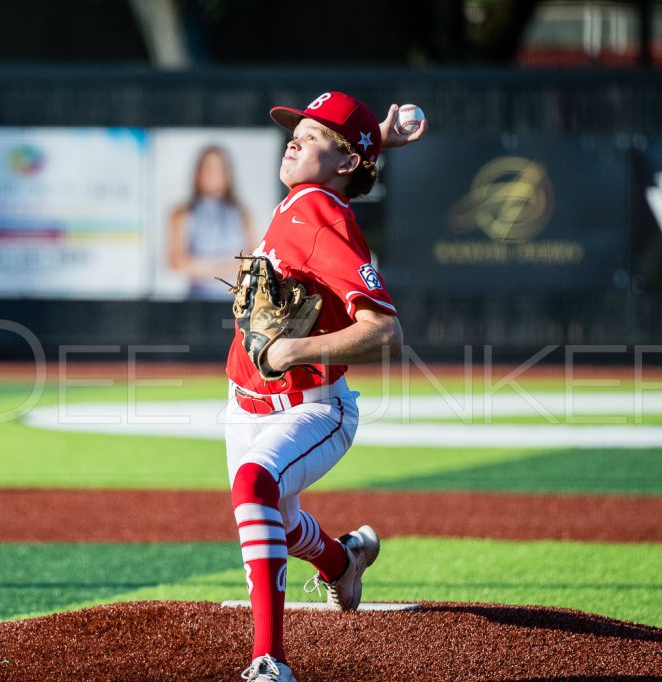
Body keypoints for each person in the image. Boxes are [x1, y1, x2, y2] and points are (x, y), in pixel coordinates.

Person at [224, 91, 426, 682]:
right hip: (244, 404)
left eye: (313, 136)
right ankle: (344, 561)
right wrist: (369, 142)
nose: (295, 139)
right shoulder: (305, 198)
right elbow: (341, 166)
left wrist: (296, 348)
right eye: (298, 130)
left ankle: (269, 660)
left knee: (254, 484)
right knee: (277, 523)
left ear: (340, 164)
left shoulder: (321, 211)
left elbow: (386, 333)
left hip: (313, 410)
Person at [168, 145, 257, 299]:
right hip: (197, 301)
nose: (211, 175)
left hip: (235, 301)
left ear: (227, 174)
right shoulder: (182, 213)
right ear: (197, 173)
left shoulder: (242, 214)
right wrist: (228, 265)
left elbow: (254, 263)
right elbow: (178, 262)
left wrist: (199, 265)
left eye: (217, 169)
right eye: (207, 168)